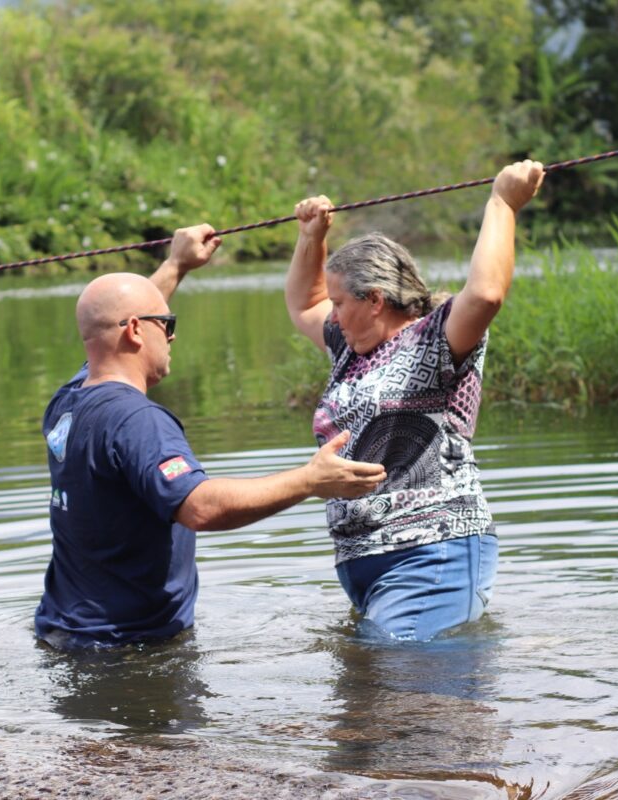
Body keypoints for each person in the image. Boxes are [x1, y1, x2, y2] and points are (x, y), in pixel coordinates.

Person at [36, 224, 387, 649]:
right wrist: (310, 481)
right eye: (166, 324)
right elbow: (200, 508)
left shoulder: (68, 403)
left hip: (61, 634)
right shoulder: (137, 421)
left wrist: (176, 265)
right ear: (133, 331)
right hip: (125, 647)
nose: (172, 335)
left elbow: (108, 323)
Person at [284, 160, 545, 641]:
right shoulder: (348, 348)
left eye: (341, 303)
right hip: (366, 564)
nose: (333, 316)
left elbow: (486, 294)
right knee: (376, 694)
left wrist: (502, 202)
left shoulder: (437, 338)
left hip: (434, 551)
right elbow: (304, 302)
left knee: (397, 691)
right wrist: (310, 238)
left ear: (376, 300)